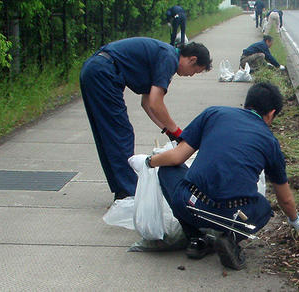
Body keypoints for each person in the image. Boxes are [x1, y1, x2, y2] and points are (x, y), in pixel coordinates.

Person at [129, 82, 299, 270]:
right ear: (271, 114)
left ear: (247, 103)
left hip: (192, 203)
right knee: (263, 207)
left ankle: (196, 239)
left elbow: (176, 157)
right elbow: (284, 198)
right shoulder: (270, 142)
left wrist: (149, 162)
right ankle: (230, 238)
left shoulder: (214, 114)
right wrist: (295, 220)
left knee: (167, 170)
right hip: (232, 214)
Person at [80, 38, 212, 200]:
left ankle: (122, 189)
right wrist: (177, 131)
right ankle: (128, 191)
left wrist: (166, 129)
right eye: (195, 71)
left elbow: (147, 103)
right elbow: (156, 103)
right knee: (121, 133)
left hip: (95, 69)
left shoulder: (164, 55)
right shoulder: (169, 59)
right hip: (104, 73)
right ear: (192, 60)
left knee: (108, 134)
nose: (191, 75)